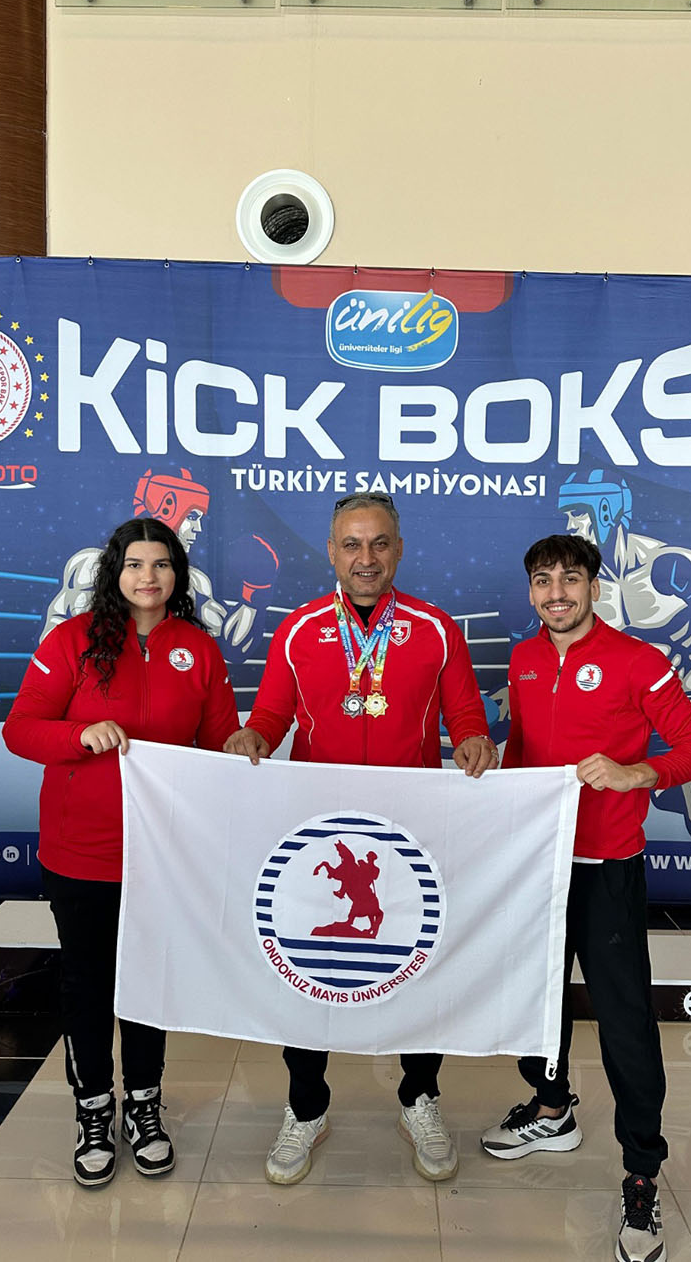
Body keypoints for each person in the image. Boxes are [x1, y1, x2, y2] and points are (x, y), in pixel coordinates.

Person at [224, 491, 497, 1187]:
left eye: (379, 543)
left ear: (398, 550)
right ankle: (306, 1106)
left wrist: (473, 739)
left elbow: (466, 713)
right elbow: (273, 715)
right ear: (332, 551)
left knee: (420, 965)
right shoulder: (299, 628)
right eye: (352, 544)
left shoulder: (436, 628)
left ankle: (419, 1097)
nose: (366, 558)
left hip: (410, 833)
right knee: (306, 967)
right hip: (320, 834)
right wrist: (253, 736)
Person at [480, 533, 691, 1262]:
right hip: (538, 864)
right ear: (531, 590)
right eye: (543, 580)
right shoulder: (524, 659)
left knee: (624, 1025)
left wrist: (635, 773)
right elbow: (524, 749)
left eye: (570, 579)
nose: (556, 593)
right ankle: (552, 1108)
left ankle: (641, 1173)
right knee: (537, 1001)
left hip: (607, 867)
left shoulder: (638, 660)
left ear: (593, 585)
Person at [4, 517, 238, 1188]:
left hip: (162, 853)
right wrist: (79, 735)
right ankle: (93, 1110)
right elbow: (20, 729)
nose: (148, 576)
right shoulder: (72, 640)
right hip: (81, 852)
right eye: (135, 564)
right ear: (115, 571)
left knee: (147, 984)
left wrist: (245, 747)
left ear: (177, 574)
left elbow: (220, 740)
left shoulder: (198, 647)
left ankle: (144, 1105)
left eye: (161, 564)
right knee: (87, 983)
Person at [558, 468, 691, 843]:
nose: (569, 526)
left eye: (577, 514)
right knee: (575, 812)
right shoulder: (575, 584)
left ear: (605, 510)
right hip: (605, 713)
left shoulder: (666, 562)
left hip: (676, 708)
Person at [42, 467, 279, 660]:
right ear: (168, 507)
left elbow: (231, 647)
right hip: (100, 690)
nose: (198, 528)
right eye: (192, 516)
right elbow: (56, 643)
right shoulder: (92, 565)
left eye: (161, 566)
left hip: (165, 690)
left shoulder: (194, 581)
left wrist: (254, 593)